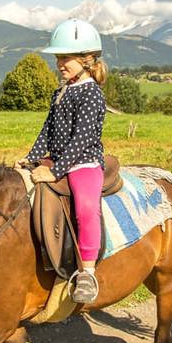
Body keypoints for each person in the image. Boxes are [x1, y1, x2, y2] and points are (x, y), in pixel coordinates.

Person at [21, 19, 108, 303]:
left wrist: (55, 171)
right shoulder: (61, 91)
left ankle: (88, 272)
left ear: (87, 59)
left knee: (85, 208)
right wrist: (32, 158)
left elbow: (82, 139)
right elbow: (48, 129)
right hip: (56, 159)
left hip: (84, 164)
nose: (59, 63)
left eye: (65, 58)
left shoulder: (91, 93)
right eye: (58, 57)